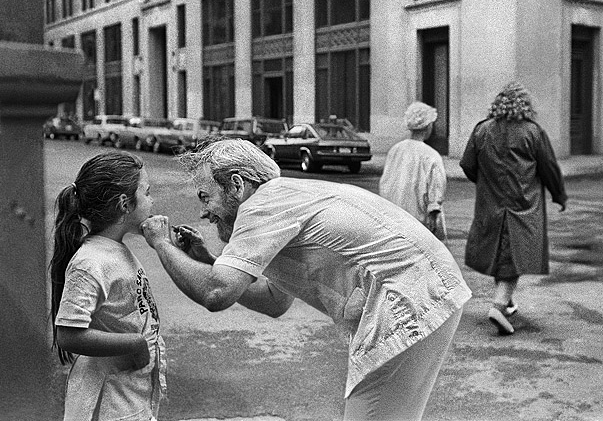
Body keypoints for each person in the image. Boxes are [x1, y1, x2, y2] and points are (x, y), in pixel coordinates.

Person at [140, 139, 472, 421]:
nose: (204, 212)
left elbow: (217, 292)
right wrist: (209, 261)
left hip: (411, 298)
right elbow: (274, 301)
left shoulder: (262, 205)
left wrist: (161, 244)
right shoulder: (282, 199)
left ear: (238, 186)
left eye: (205, 196)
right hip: (428, 288)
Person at [50, 151, 165, 421]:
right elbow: (68, 334)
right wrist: (135, 343)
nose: (151, 201)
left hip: (130, 394)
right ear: (125, 204)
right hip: (108, 405)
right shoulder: (91, 262)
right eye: (146, 193)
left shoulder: (114, 250)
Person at [460, 81, 567, 335]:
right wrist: (559, 195)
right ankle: (497, 306)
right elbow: (548, 168)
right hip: (522, 205)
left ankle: (506, 302)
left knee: (502, 253)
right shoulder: (532, 132)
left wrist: (485, 183)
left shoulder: (482, 130)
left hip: (491, 204)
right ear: (525, 105)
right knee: (514, 256)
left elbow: (468, 164)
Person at [379, 101, 447, 240]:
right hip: (418, 221)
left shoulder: (395, 150)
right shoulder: (431, 155)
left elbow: (385, 184)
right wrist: (433, 214)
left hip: (394, 218)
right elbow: (436, 190)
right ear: (428, 126)